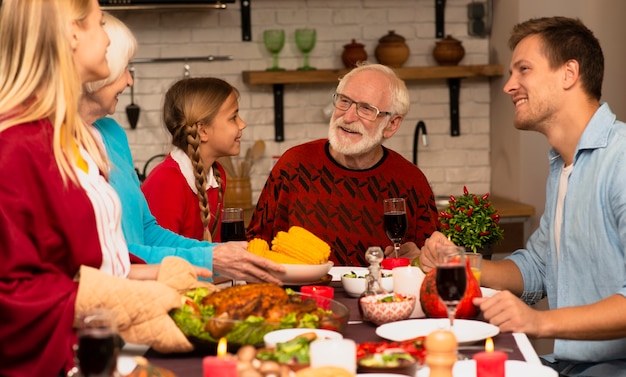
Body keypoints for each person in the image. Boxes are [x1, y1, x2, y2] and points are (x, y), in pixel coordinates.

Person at [0, 1, 210, 375]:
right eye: (99, 23)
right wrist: (124, 300)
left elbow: (81, 260)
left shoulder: (74, 138)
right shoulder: (14, 142)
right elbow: (12, 290)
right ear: (72, 32)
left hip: (91, 353)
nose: (108, 40)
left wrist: (152, 275)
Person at [420, 17, 626, 376]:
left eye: (524, 70)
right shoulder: (565, 165)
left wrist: (538, 322)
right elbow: (537, 268)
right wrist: (459, 265)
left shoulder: (620, 161)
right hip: (566, 365)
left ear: (568, 74)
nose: (509, 86)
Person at [80, 12, 284, 284]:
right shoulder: (47, 145)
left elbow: (147, 231)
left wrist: (220, 252)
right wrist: (213, 259)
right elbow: (102, 256)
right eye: (124, 68)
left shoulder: (112, 134)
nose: (130, 81)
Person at [246, 62, 439, 266]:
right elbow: (255, 242)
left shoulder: (411, 181)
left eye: (366, 109)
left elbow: (433, 264)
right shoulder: (293, 165)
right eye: (344, 101)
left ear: (391, 125)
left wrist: (416, 260)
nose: (347, 117)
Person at [141, 77, 245, 242]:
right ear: (202, 131)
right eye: (233, 117)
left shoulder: (217, 176)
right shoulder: (167, 181)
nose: (242, 124)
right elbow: (161, 256)